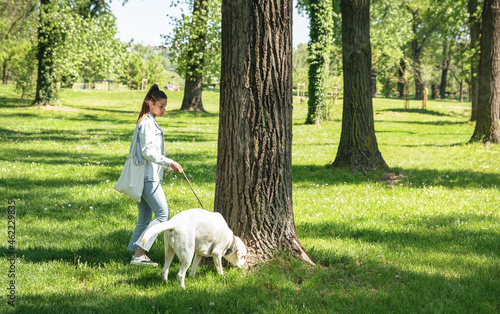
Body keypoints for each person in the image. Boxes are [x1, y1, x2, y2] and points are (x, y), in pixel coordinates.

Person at [126, 84, 183, 266]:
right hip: (148, 178)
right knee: (162, 215)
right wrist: (169, 162)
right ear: (149, 103)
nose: (163, 109)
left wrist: (166, 165)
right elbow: (148, 152)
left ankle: (134, 253)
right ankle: (139, 255)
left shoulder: (146, 121)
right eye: (161, 106)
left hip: (146, 175)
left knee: (144, 218)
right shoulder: (147, 123)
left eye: (165, 106)